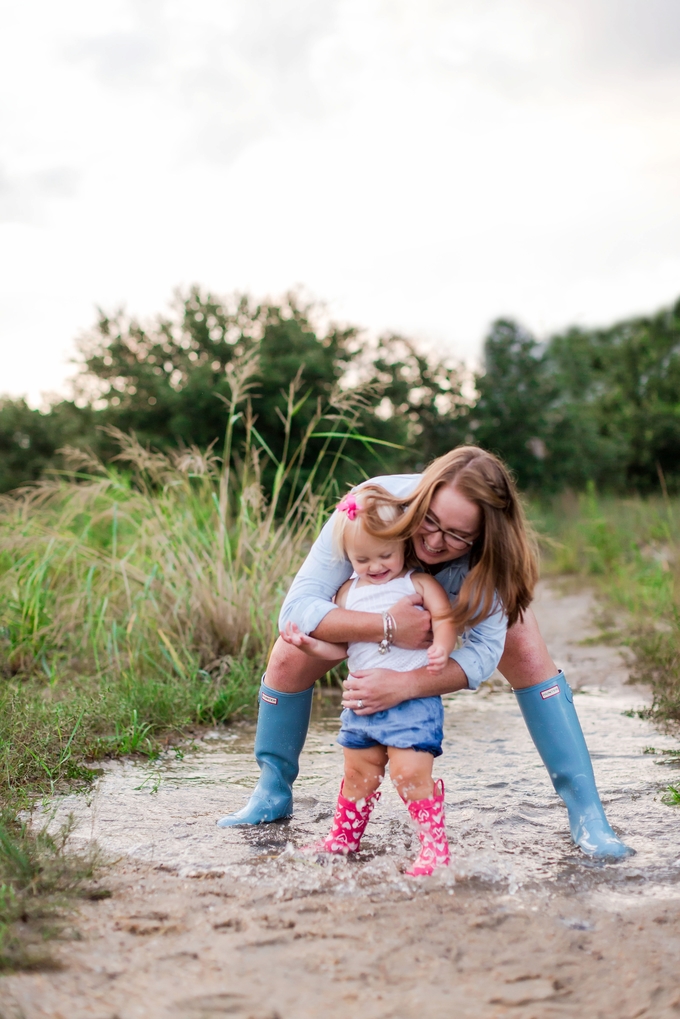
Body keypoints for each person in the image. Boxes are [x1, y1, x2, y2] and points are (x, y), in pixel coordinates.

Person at [217, 447, 633, 860]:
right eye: (428, 522)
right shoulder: (371, 507)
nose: (434, 542)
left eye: (456, 536)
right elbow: (298, 607)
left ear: (484, 536)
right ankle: (272, 790)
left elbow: (484, 653)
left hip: (454, 607)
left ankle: (587, 812)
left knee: (523, 646)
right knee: (288, 652)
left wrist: (406, 685)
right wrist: (389, 627)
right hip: (377, 611)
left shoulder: (493, 557)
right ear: (421, 499)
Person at [281, 486, 458, 876]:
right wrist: (309, 647)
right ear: (348, 558)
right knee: (358, 774)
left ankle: (433, 847)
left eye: (385, 555)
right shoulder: (347, 593)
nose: (375, 566)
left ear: (403, 547)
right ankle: (343, 837)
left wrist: (442, 647)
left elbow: (444, 619)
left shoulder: (419, 583)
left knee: (409, 773)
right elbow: (340, 650)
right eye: (362, 559)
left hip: (412, 700)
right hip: (361, 701)